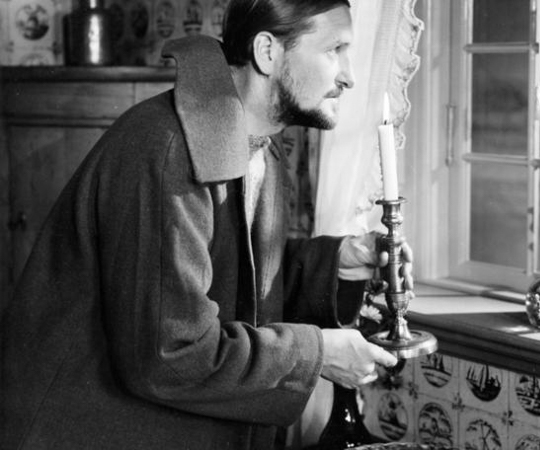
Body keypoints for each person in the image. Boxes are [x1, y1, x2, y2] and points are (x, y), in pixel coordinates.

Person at [0, 0, 413, 448]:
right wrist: (316, 355)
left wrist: (337, 262)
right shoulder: (168, 150)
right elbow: (170, 354)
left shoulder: (259, 145)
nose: (349, 76)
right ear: (267, 52)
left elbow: (230, 276)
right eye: (335, 50)